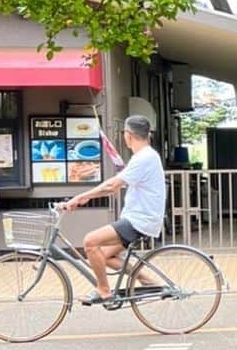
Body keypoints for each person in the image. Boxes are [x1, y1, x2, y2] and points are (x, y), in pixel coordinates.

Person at [58, 115, 166, 305]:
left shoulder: (144, 157)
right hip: (140, 218)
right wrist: (82, 198)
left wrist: (80, 197)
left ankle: (104, 290)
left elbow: (111, 186)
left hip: (139, 220)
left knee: (90, 242)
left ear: (128, 135)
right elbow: (115, 187)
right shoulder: (145, 156)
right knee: (104, 255)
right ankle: (149, 281)